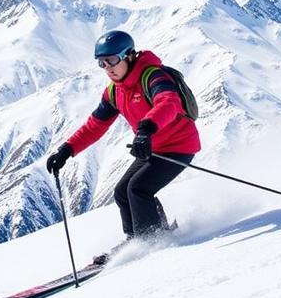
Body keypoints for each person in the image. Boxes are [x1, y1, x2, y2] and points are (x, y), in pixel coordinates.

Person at [45, 30, 200, 240]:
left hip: (179, 146)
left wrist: (146, 129)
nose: (107, 68)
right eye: (101, 63)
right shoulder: (115, 91)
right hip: (152, 147)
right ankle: (138, 238)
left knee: (138, 189)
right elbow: (95, 126)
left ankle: (152, 240)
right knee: (122, 192)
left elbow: (168, 101)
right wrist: (66, 150)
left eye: (111, 60)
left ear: (129, 55)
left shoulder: (153, 76)